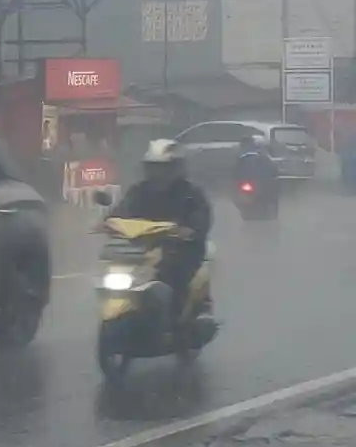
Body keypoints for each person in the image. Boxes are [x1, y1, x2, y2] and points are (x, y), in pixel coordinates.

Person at [110, 139, 213, 332]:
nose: (158, 174)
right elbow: (121, 210)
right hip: (142, 249)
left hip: (181, 249)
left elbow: (201, 218)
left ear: (176, 168)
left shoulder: (191, 193)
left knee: (174, 273)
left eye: (164, 168)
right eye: (154, 168)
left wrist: (190, 230)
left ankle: (177, 321)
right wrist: (108, 222)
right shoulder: (138, 191)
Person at [233, 134, 279, 211]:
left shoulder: (241, 157)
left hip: (252, 184)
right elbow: (273, 170)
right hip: (257, 184)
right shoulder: (263, 156)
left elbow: (235, 172)